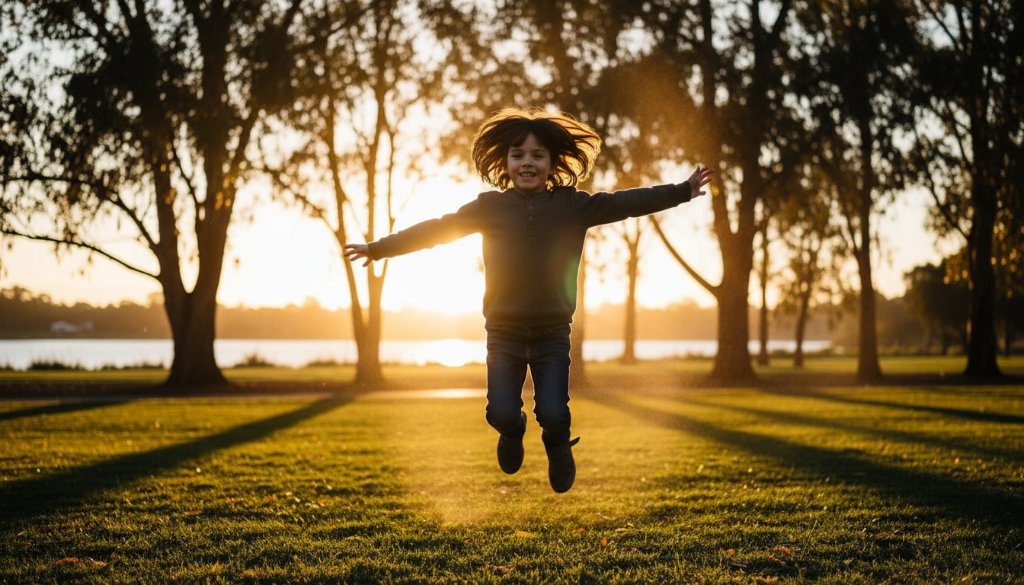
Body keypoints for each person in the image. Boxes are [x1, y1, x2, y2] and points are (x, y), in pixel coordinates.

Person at [345, 107, 712, 493]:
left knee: (554, 413)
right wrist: (379, 248)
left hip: (553, 332)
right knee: (500, 413)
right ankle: (514, 430)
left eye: (537, 155)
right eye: (518, 154)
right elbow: (438, 229)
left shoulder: (574, 207)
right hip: (502, 332)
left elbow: (627, 202)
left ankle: (557, 444)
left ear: (552, 163)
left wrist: (682, 192)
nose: (527, 162)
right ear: (505, 161)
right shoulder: (489, 208)